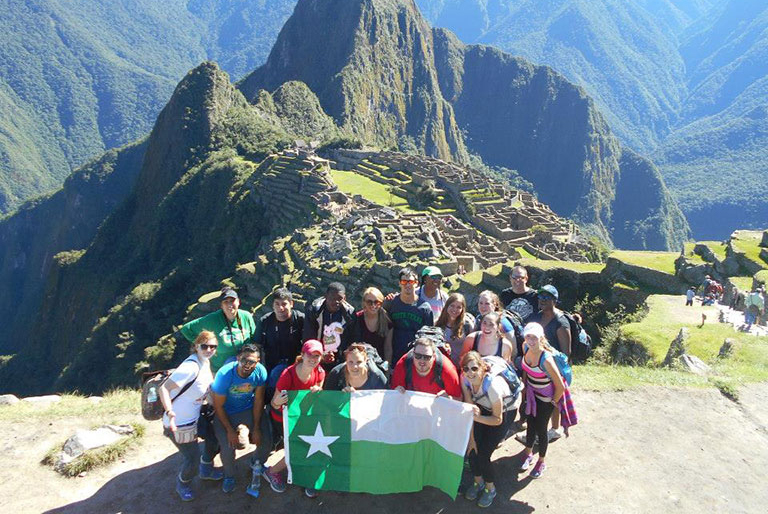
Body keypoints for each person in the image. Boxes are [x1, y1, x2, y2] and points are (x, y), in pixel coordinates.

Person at [159, 331, 223, 501]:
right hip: (179, 423)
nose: (209, 349)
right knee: (192, 459)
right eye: (204, 346)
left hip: (195, 418)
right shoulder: (191, 367)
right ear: (196, 346)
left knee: (215, 438)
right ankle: (183, 483)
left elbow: (205, 390)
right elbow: (164, 388)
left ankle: (206, 469)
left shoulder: (205, 362)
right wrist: (169, 411)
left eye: (213, 347)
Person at [265, 340, 326, 498]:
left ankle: (303, 474)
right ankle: (271, 472)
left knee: (307, 446)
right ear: (303, 354)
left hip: (304, 417)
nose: (313, 359)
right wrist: (278, 402)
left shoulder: (320, 371)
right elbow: (274, 403)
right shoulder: (288, 374)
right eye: (310, 355)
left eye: (317, 356)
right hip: (283, 418)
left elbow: (320, 388)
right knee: (296, 449)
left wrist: (318, 390)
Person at [210, 344, 268, 497]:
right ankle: (229, 475)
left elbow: (258, 400)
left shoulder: (260, 372)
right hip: (226, 411)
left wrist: (256, 427)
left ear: (258, 361)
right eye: (244, 361)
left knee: (265, 440)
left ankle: (256, 462)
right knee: (228, 447)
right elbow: (218, 405)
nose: (247, 365)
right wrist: (229, 430)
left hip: (248, 408)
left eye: (252, 362)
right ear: (237, 358)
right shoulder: (224, 375)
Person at [461, 351, 514, 508]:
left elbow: (497, 419)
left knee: (484, 454)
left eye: (474, 368)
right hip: (482, 406)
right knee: (472, 450)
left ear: (482, 368)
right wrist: (471, 439)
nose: (470, 373)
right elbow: (471, 407)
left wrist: (476, 418)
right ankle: (479, 482)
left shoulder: (492, 386)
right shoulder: (465, 379)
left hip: (504, 411)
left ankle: (491, 488)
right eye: (466, 368)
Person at [518, 323, 565, 479]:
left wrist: (553, 402)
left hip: (545, 399)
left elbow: (560, 386)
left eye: (535, 337)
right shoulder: (525, 347)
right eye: (528, 336)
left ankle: (541, 461)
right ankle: (528, 453)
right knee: (530, 424)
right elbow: (526, 370)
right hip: (532, 393)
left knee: (541, 429)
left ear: (541, 338)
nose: (531, 340)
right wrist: (525, 388)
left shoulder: (547, 360)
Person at [180, 287, 257, 373]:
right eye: (226, 302)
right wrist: (203, 344)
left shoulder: (246, 316)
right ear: (221, 305)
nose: (229, 305)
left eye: (232, 301)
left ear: (238, 302)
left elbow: (254, 338)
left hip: (244, 368)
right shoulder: (213, 319)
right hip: (219, 370)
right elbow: (186, 329)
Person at [254, 288, 304, 396]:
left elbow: (309, 342)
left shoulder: (300, 319)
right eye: (277, 304)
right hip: (272, 364)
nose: (280, 308)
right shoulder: (265, 321)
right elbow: (256, 346)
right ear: (272, 305)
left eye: (284, 304)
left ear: (291, 304)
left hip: (296, 365)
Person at [384, 267, 434, 365]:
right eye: (404, 281)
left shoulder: (425, 308)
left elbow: (429, 338)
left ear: (417, 284)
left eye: (411, 282)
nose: (407, 285)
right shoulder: (390, 303)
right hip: (393, 358)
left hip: (416, 359)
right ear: (399, 283)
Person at [303, 283, 356, 369]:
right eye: (332, 298)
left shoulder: (350, 315)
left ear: (345, 298)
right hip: (315, 357)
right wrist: (320, 354)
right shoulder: (314, 311)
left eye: (340, 299)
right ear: (326, 296)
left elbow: (354, 339)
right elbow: (308, 337)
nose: (336, 302)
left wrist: (344, 356)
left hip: (341, 360)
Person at [391, 337, 461, 399]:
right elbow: (393, 398)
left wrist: (449, 399)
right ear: (413, 354)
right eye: (418, 356)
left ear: (434, 356)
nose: (422, 361)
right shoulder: (403, 364)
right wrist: (395, 393)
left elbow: (459, 400)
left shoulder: (448, 370)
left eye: (427, 357)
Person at [349, 287, 393, 364]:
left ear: (381, 303)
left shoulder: (387, 322)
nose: (373, 305)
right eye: (369, 302)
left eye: (376, 302)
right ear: (364, 303)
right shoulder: (357, 319)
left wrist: (387, 367)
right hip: (359, 362)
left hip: (378, 364)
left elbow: (388, 348)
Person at [528, 285, 571, 357]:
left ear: (554, 301)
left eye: (546, 297)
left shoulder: (561, 322)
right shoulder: (538, 316)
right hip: (538, 360)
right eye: (540, 297)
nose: (542, 300)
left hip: (555, 362)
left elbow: (566, 353)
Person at [435, 293, 475, 367]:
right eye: (452, 306)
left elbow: (473, 347)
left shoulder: (467, 325)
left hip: (461, 366)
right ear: (447, 306)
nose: (455, 310)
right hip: (441, 365)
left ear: (462, 309)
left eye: (458, 307)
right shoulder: (437, 323)